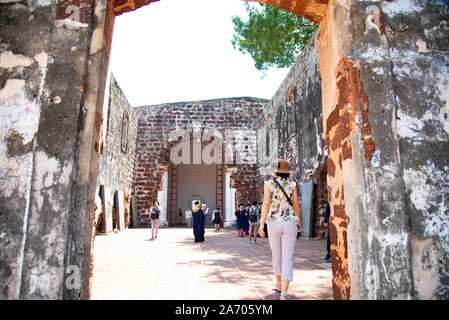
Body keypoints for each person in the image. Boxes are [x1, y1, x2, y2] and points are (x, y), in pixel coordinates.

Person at [259, 159, 302, 300]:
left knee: (276, 253)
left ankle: (278, 281)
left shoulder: (269, 184)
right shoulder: (292, 184)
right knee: (288, 256)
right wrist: (299, 220)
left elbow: (265, 204)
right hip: (290, 222)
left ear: (274, 171)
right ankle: (284, 292)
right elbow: (296, 204)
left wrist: (261, 224)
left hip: (273, 222)